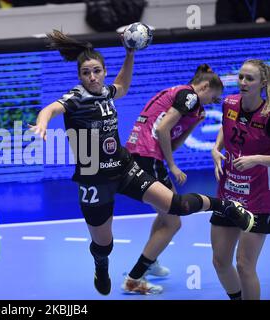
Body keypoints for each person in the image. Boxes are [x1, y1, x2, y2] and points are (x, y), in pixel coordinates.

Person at [29, 29, 254, 296]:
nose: (92, 77)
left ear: (103, 71)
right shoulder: (76, 97)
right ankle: (101, 265)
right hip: (94, 178)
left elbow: (122, 86)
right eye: (87, 73)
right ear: (79, 76)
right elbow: (51, 109)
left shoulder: (106, 92)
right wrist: (42, 124)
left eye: (97, 71)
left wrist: (130, 53)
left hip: (124, 167)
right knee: (104, 245)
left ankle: (225, 206)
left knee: (176, 206)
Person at [122, 64, 223, 288]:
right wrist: (172, 166)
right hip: (148, 157)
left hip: (141, 154)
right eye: (213, 98)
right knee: (174, 221)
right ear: (205, 86)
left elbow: (171, 140)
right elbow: (162, 130)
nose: (211, 103)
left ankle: (150, 262)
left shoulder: (180, 95)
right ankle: (135, 278)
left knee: (165, 214)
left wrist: (193, 123)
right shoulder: (190, 96)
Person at [210, 59, 270, 300]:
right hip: (227, 193)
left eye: (250, 79)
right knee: (220, 261)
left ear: (263, 83)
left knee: (245, 266)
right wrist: (216, 149)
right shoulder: (229, 103)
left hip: (257, 200)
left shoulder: (268, 115)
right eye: (241, 77)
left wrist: (257, 159)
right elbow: (226, 127)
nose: (243, 83)